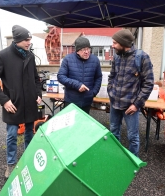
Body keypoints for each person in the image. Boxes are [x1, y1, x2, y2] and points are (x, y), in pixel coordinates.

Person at [0, 25, 42, 179]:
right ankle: (11, 164)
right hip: (13, 103)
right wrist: (4, 101)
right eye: (26, 39)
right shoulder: (2, 56)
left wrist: (38, 94)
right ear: (17, 40)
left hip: (30, 102)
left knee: (30, 133)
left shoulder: (30, 56)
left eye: (30, 39)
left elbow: (36, 78)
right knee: (12, 135)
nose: (29, 42)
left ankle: (28, 160)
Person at [107, 29, 154, 157]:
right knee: (113, 132)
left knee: (132, 136)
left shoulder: (142, 57)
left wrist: (137, 104)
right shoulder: (116, 56)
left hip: (131, 107)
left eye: (115, 43)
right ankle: (115, 157)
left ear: (124, 44)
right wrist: (110, 92)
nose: (113, 45)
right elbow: (112, 76)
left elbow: (149, 83)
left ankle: (133, 162)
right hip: (115, 103)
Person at [57, 36, 102, 114]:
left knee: (83, 124)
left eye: (88, 49)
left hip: (87, 100)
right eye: (83, 49)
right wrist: (77, 85)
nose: (86, 52)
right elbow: (61, 76)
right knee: (70, 125)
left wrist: (94, 92)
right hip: (71, 100)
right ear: (77, 51)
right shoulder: (68, 59)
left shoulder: (95, 60)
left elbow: (98, 77)